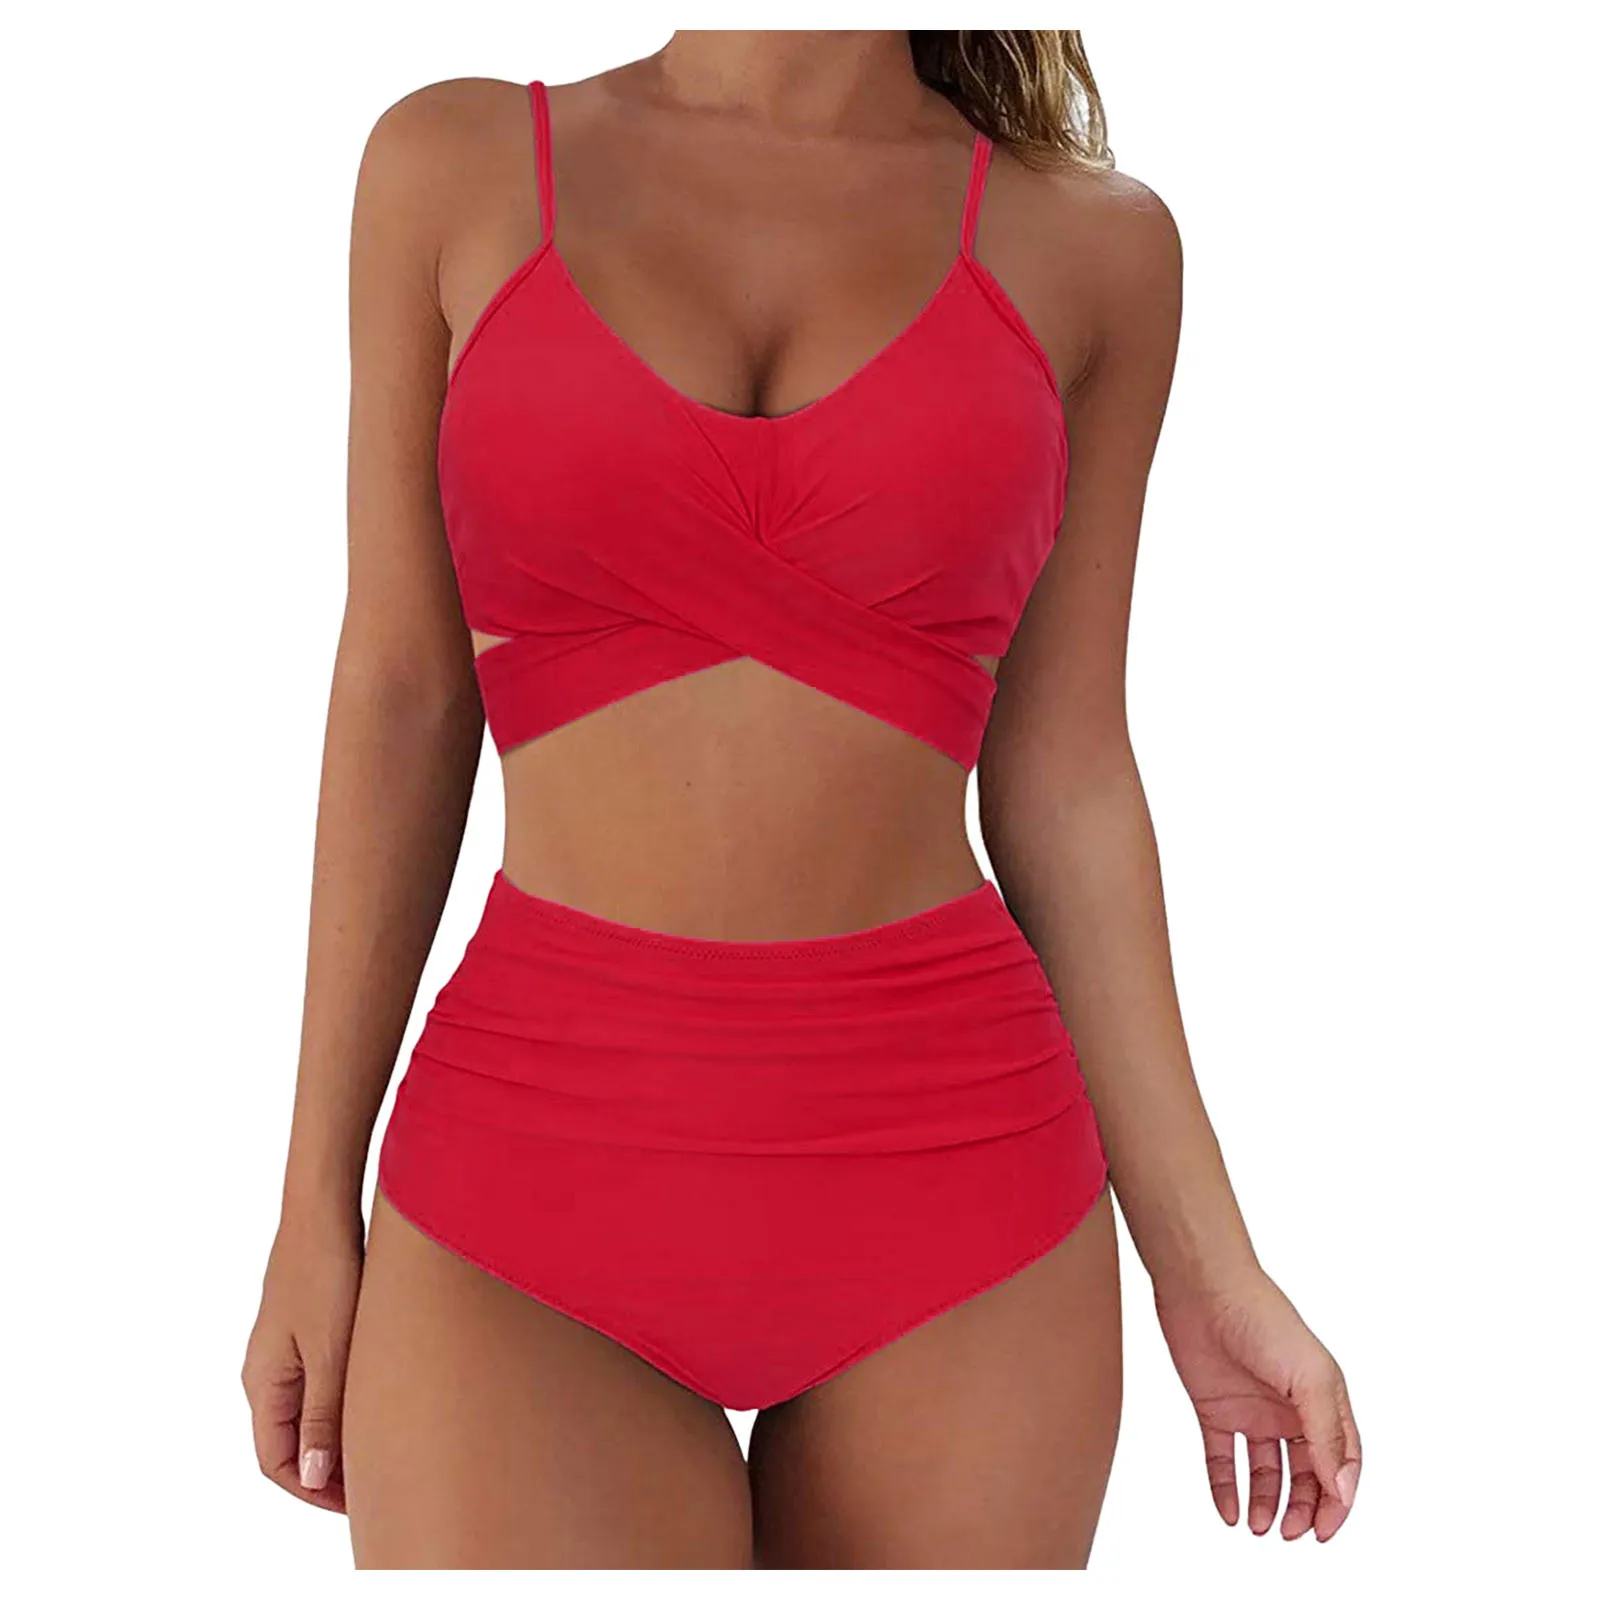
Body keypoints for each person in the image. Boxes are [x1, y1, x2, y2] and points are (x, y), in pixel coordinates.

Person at [241, 30, 1361, 1569]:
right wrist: (311, 1196)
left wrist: (1208, 1264)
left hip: (966, 1203)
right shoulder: (454, 168)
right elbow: (399, 692)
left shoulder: (1095, 248)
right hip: (526, 1188)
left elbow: (1068, 775)